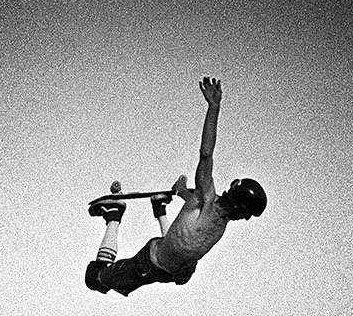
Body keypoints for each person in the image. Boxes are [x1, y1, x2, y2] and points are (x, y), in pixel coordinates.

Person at [84, 76, 267, 297]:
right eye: (247, 214)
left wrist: (180, 189)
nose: (244, 219)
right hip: (150, 263)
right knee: (95, 279)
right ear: (239, 204)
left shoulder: (216, 212)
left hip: (175, 271)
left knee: (184, 273)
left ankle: (160, 208)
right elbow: (206, 153)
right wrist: (214, 107)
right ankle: (114, 214)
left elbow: (191, 202)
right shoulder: (206, 198)